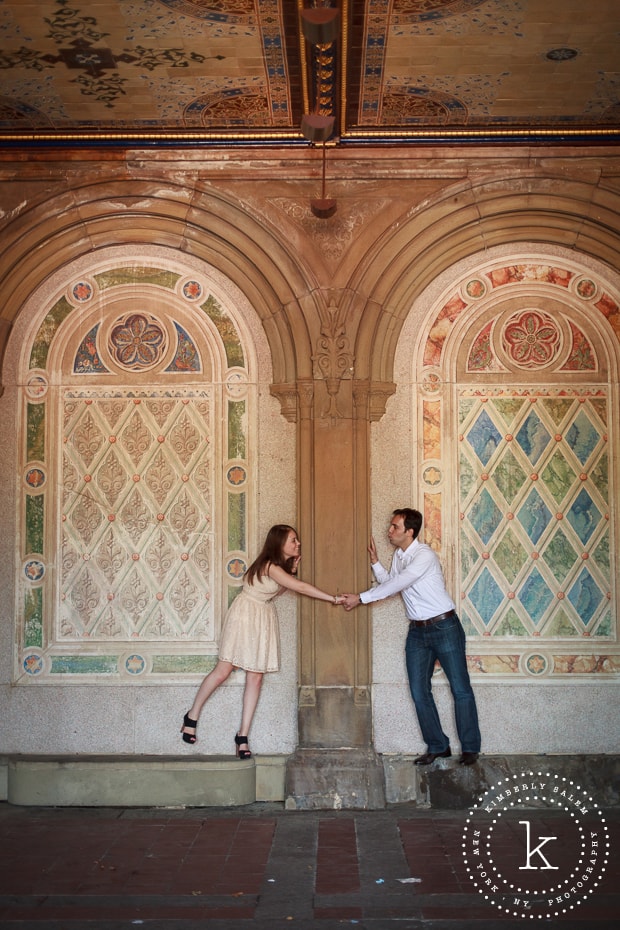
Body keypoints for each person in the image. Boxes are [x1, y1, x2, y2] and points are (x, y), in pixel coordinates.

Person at [181, 524, 342, 756]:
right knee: (224, 669)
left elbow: (276, 592)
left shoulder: (278, 569)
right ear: (279, 544)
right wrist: (333, 599)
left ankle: (242, 736)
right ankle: (192, 714)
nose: (298, 544)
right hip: (245, 615)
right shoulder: (270, 566)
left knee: (256, 678)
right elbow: (300, 588)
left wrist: (292, 571)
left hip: (262, 615)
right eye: (293, 540)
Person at [341, 508, 481, 766]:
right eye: (391, 526)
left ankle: (471, 748)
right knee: (419, 691)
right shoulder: (399, 555)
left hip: (444, 627)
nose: (389, 531)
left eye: (395, 527)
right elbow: (392, 584)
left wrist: (360, 598)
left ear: (410, 532)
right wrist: (375, 562)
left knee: (460, 689)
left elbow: (399, 583)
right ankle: (438, 746)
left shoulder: (424, 555)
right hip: (417, 632)